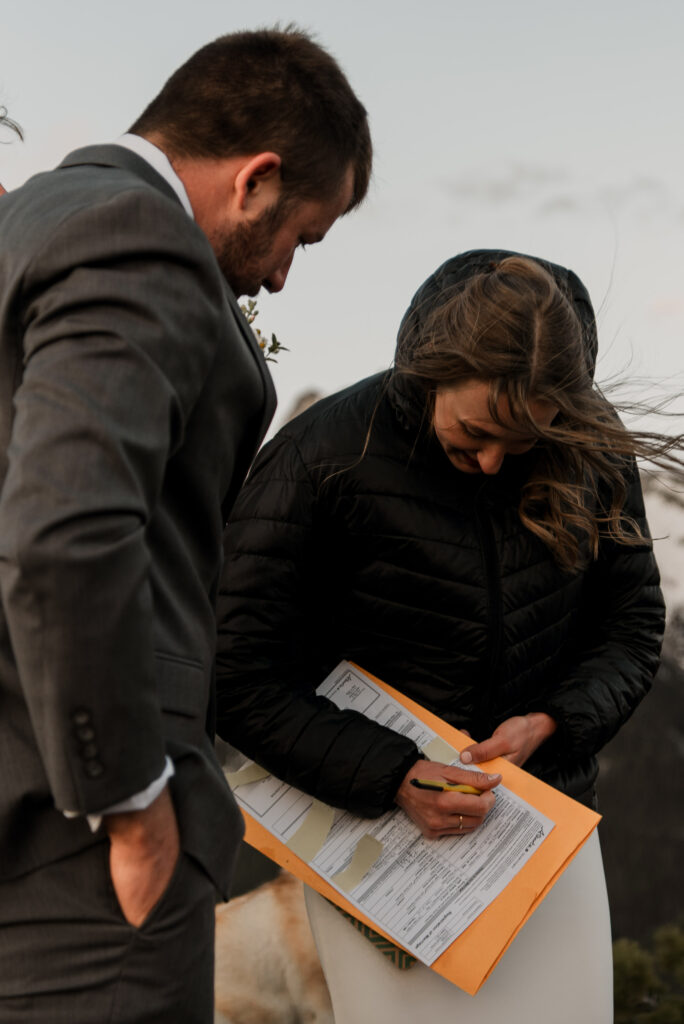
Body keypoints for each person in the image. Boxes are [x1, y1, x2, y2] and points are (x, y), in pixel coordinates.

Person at [0, 26, 370, 1024]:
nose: (286, 276)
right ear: (255, 179)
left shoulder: (27, 222)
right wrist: (130, 804)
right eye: (303, 233)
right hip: (84, 855)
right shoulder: (140, 237)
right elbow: (66, 529)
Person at [216, 250, 669, 1022]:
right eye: (476, 432)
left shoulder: (592, 444)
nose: (494, 463)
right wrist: (392, 775)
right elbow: (234, 674)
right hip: (378, 852)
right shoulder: (321, 457)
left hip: (544, 827)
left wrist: (555, 723)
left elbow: (631, 624)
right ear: (429, 369)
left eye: (523, 442)